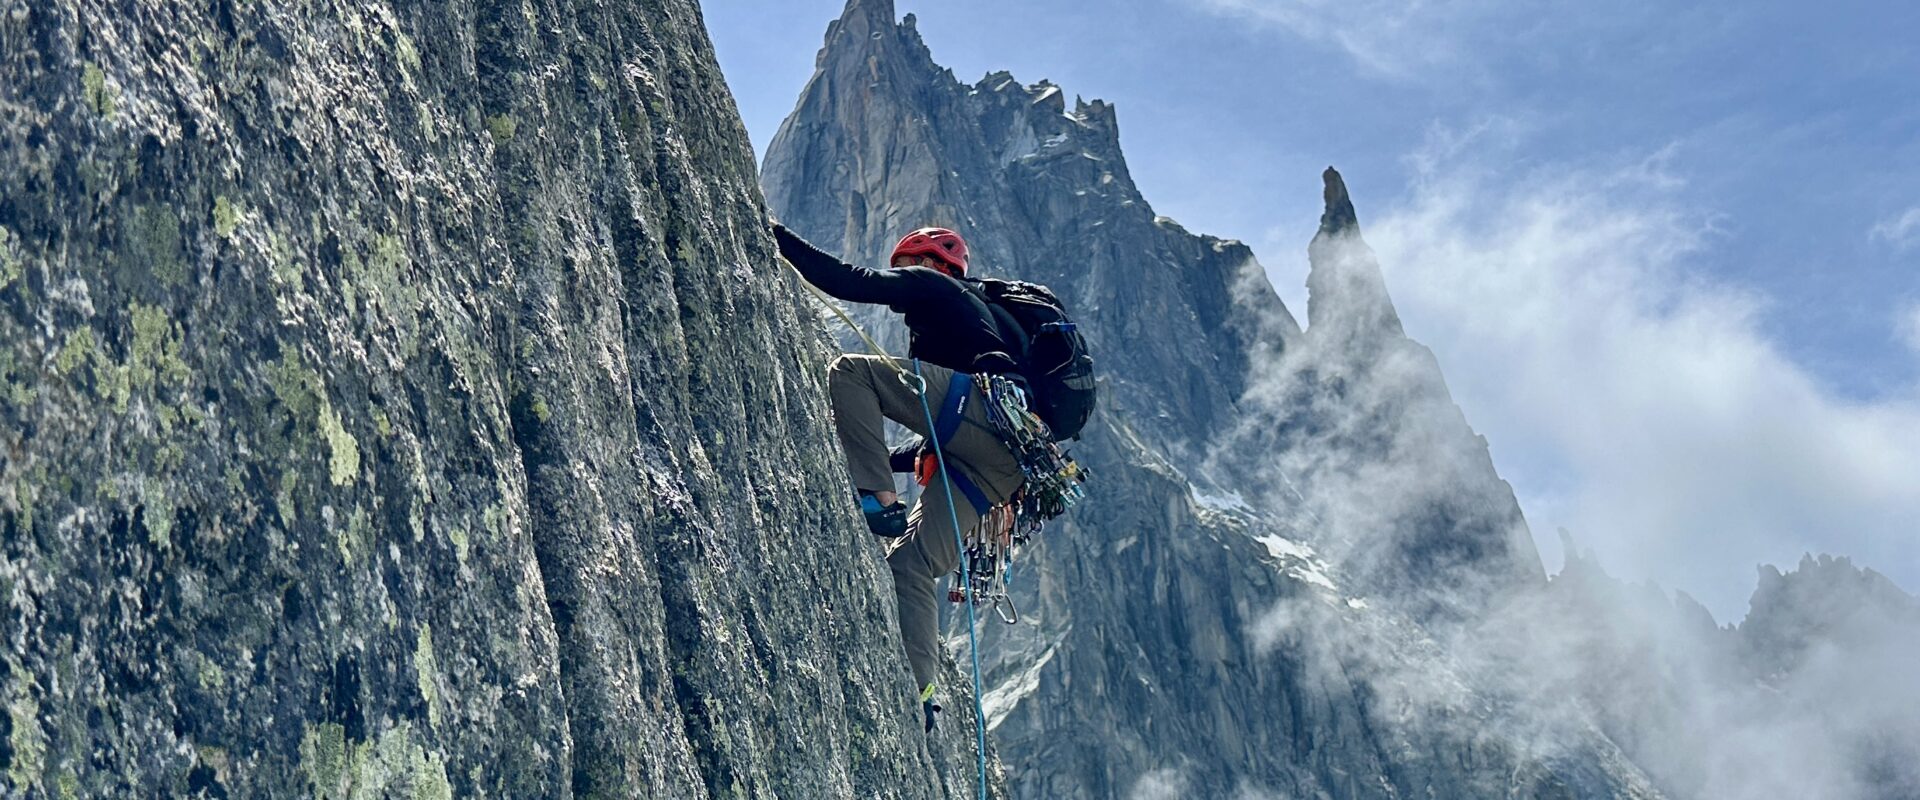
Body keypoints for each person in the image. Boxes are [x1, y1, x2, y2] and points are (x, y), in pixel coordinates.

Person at [771, 222, 1025, 731]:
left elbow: (852, 281)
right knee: (911, 565)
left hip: (977, 421)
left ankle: (880, 503)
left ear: (928, 264)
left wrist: (774, 234)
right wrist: (859, 446)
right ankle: (922, 688)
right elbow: (937, 433)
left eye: (904, 267)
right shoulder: (969, 323)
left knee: (851, 371)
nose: (899, 278)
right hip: (1004, 464)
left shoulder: (935, 286)